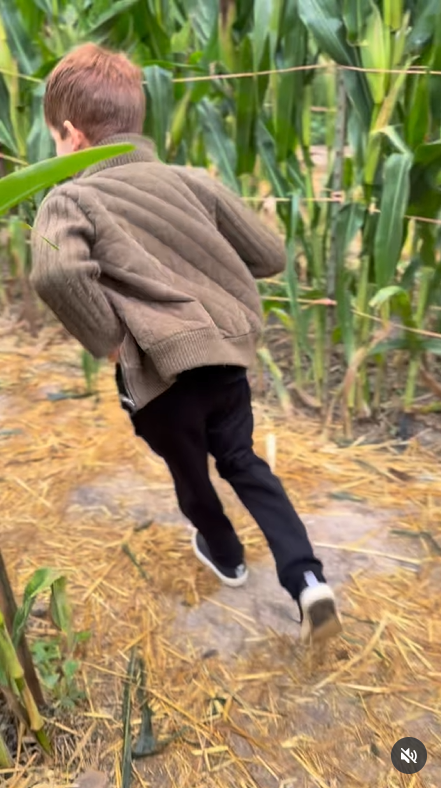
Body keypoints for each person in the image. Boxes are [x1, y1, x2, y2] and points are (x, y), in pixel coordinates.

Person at [31, 43, 341, 644]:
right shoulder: (191, 182)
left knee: (187, 469)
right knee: (244, 463)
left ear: (70, 135)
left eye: (53, 139)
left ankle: (224, 553)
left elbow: (54, 272)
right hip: (224, 365)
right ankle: (307, 581)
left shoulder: (69, 198)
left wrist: (113, 341)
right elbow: (270, 254)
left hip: (160, 378)